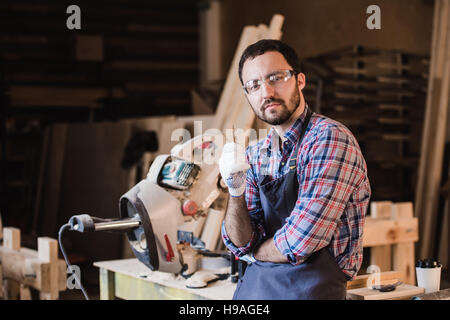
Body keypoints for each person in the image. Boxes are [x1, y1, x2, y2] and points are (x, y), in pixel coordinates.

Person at [218, 39, 371, 300]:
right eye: (254, 85)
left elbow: (302, 241)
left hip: (312, 291)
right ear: (247, 95)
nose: (266, 92)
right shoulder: (256, 154)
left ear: (300, 80)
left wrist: (255, 253)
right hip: (256, 292)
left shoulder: (329, 139)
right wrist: (235, 191)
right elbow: (239, 242)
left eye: (276, 77)